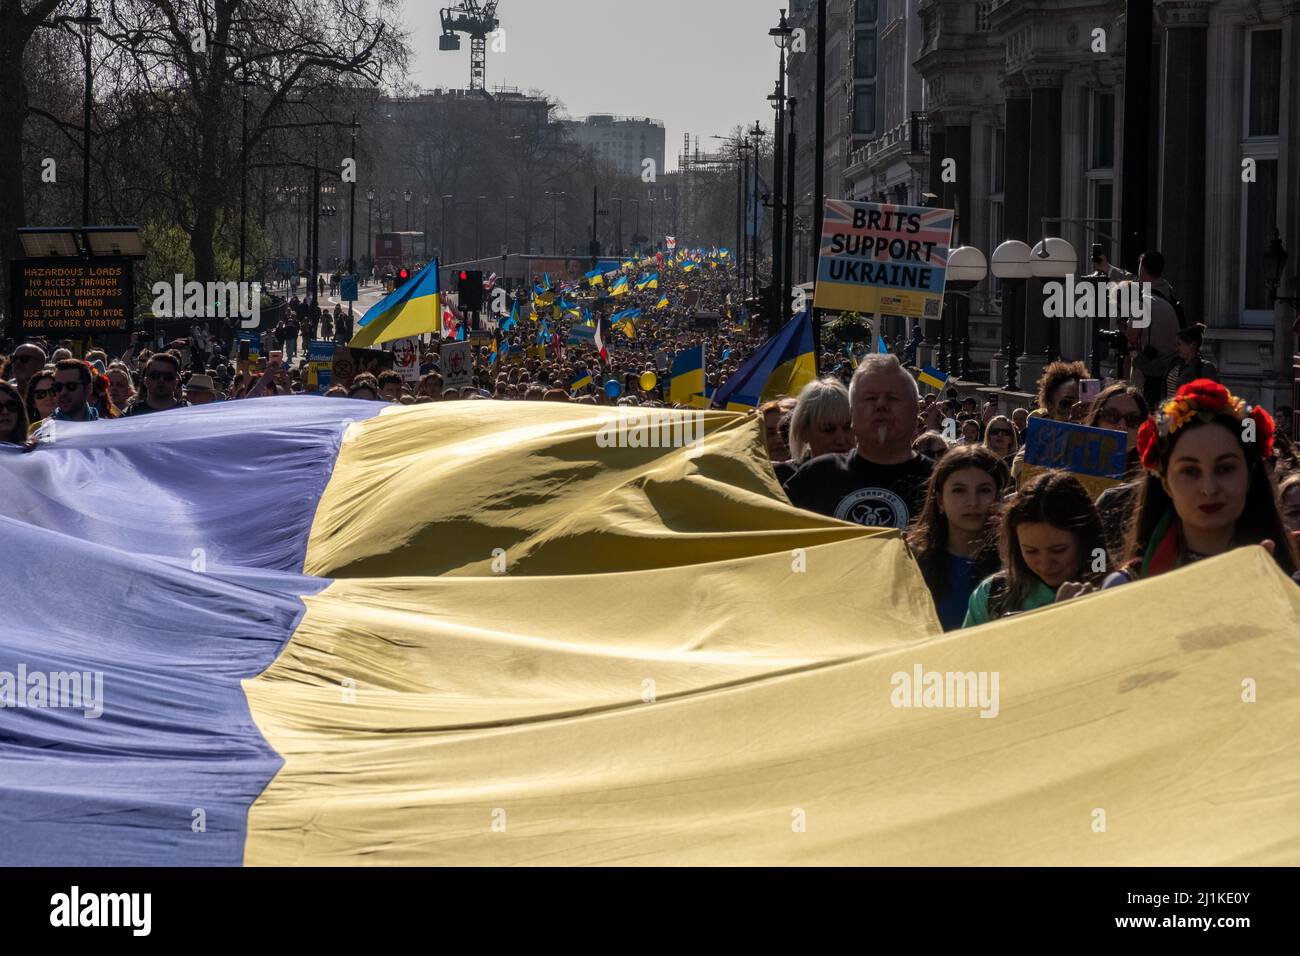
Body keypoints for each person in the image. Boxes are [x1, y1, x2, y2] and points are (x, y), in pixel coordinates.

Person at [1103, 379, 1299, 584]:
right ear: (1165, 483)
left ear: (1249, 475)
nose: (1209, 488)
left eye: (1225, 469)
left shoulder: (1287, 582)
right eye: (1190, 471)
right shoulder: (1125, 586)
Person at [784, 354, 934, 529]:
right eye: (870, 398)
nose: (881, 405)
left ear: (916, 412)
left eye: (893, 398)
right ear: (852, 412)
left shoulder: (941, 481)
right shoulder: (815, 476)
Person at [962, 470, 1108, 627]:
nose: (1045, 564)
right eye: (1031, 551)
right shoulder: (991, 595)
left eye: (1058, 550)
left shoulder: (1117, 586)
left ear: (1085, 539)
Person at [906, 445, 1009, 631]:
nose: (972, 502)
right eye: (959, 490)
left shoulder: (1016, 563)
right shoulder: (910, 562)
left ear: (999, 497)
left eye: (984, 490)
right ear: (940, 501)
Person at [1085, 383, 1152, 555]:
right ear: (1096, 419)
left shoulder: (1154, 479)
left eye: (1132, 420)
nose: (1121, 425)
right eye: (1111, 416)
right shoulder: (1068, 465)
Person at [774, 378, 854, 485]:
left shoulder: (872, 475)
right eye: (828, 429)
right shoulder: (782, 478)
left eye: (847, 427)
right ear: (803, 432)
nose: (841, 439)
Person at [123, 353, 190, 416]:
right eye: (155, 375)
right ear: (145, 380)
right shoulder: (131, 413)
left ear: (176, 381)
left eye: (167, 376)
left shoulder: (189, 411)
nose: (161, 380)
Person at [1163, 323, 1218, 399]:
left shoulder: (1205, 368)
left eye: (1179, 344)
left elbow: (1214, 396)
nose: (1177, 349)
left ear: (1191, 345)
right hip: (1171, 409)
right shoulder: (1174, 363)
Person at [48, 359, 99, 423]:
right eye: (58, 386)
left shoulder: (106, 428)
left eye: (71, 386)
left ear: (89, 388)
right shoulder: (41, 430)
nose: (63, 392)